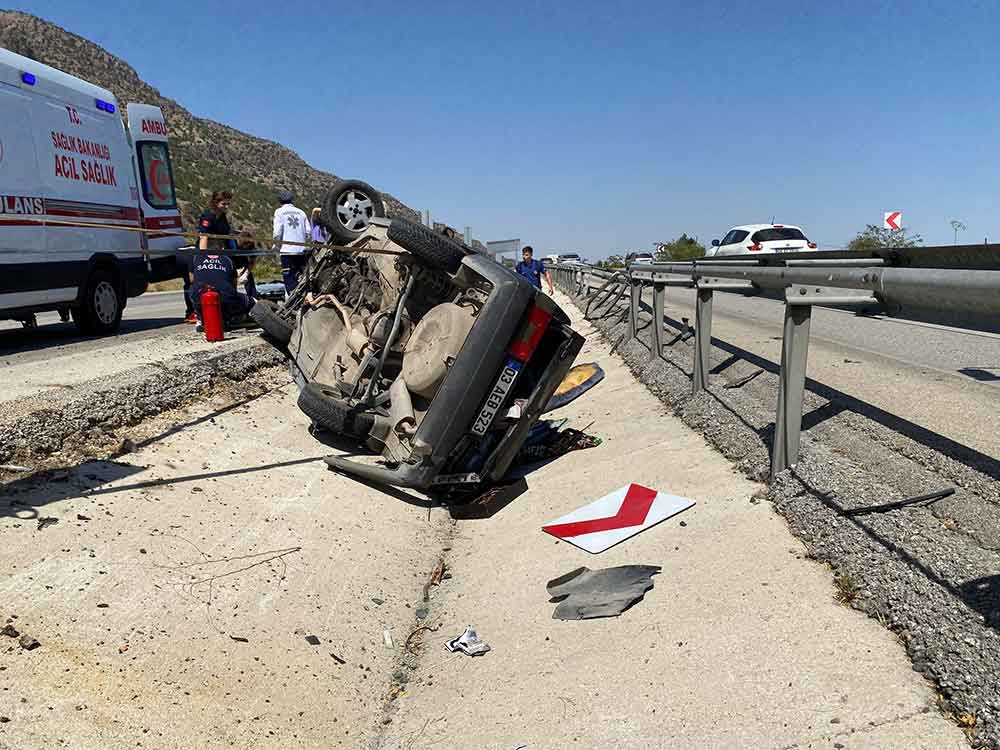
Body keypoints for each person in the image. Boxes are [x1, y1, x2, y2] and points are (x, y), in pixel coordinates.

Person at [272, 191, 311, 294]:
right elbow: (308, 232)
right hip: (301, 251)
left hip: (287, 251)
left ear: (280, 201)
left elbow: (277, 233)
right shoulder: (301, 212)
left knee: (289, 279)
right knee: (302, 278)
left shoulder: (279, 212)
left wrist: (276, 246)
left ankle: (293, 299)